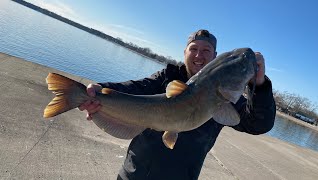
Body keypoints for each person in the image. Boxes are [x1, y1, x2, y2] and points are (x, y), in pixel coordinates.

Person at [78, 29, 276, 180]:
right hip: (135, 173)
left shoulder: (226, 97)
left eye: (206, 50)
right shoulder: (167, 77)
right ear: (185, 52)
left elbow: (258, 124)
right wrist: (98, 90)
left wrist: (260, 85)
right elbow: (136, 88)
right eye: (194, 49)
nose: (199, 55)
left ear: (215, 56)